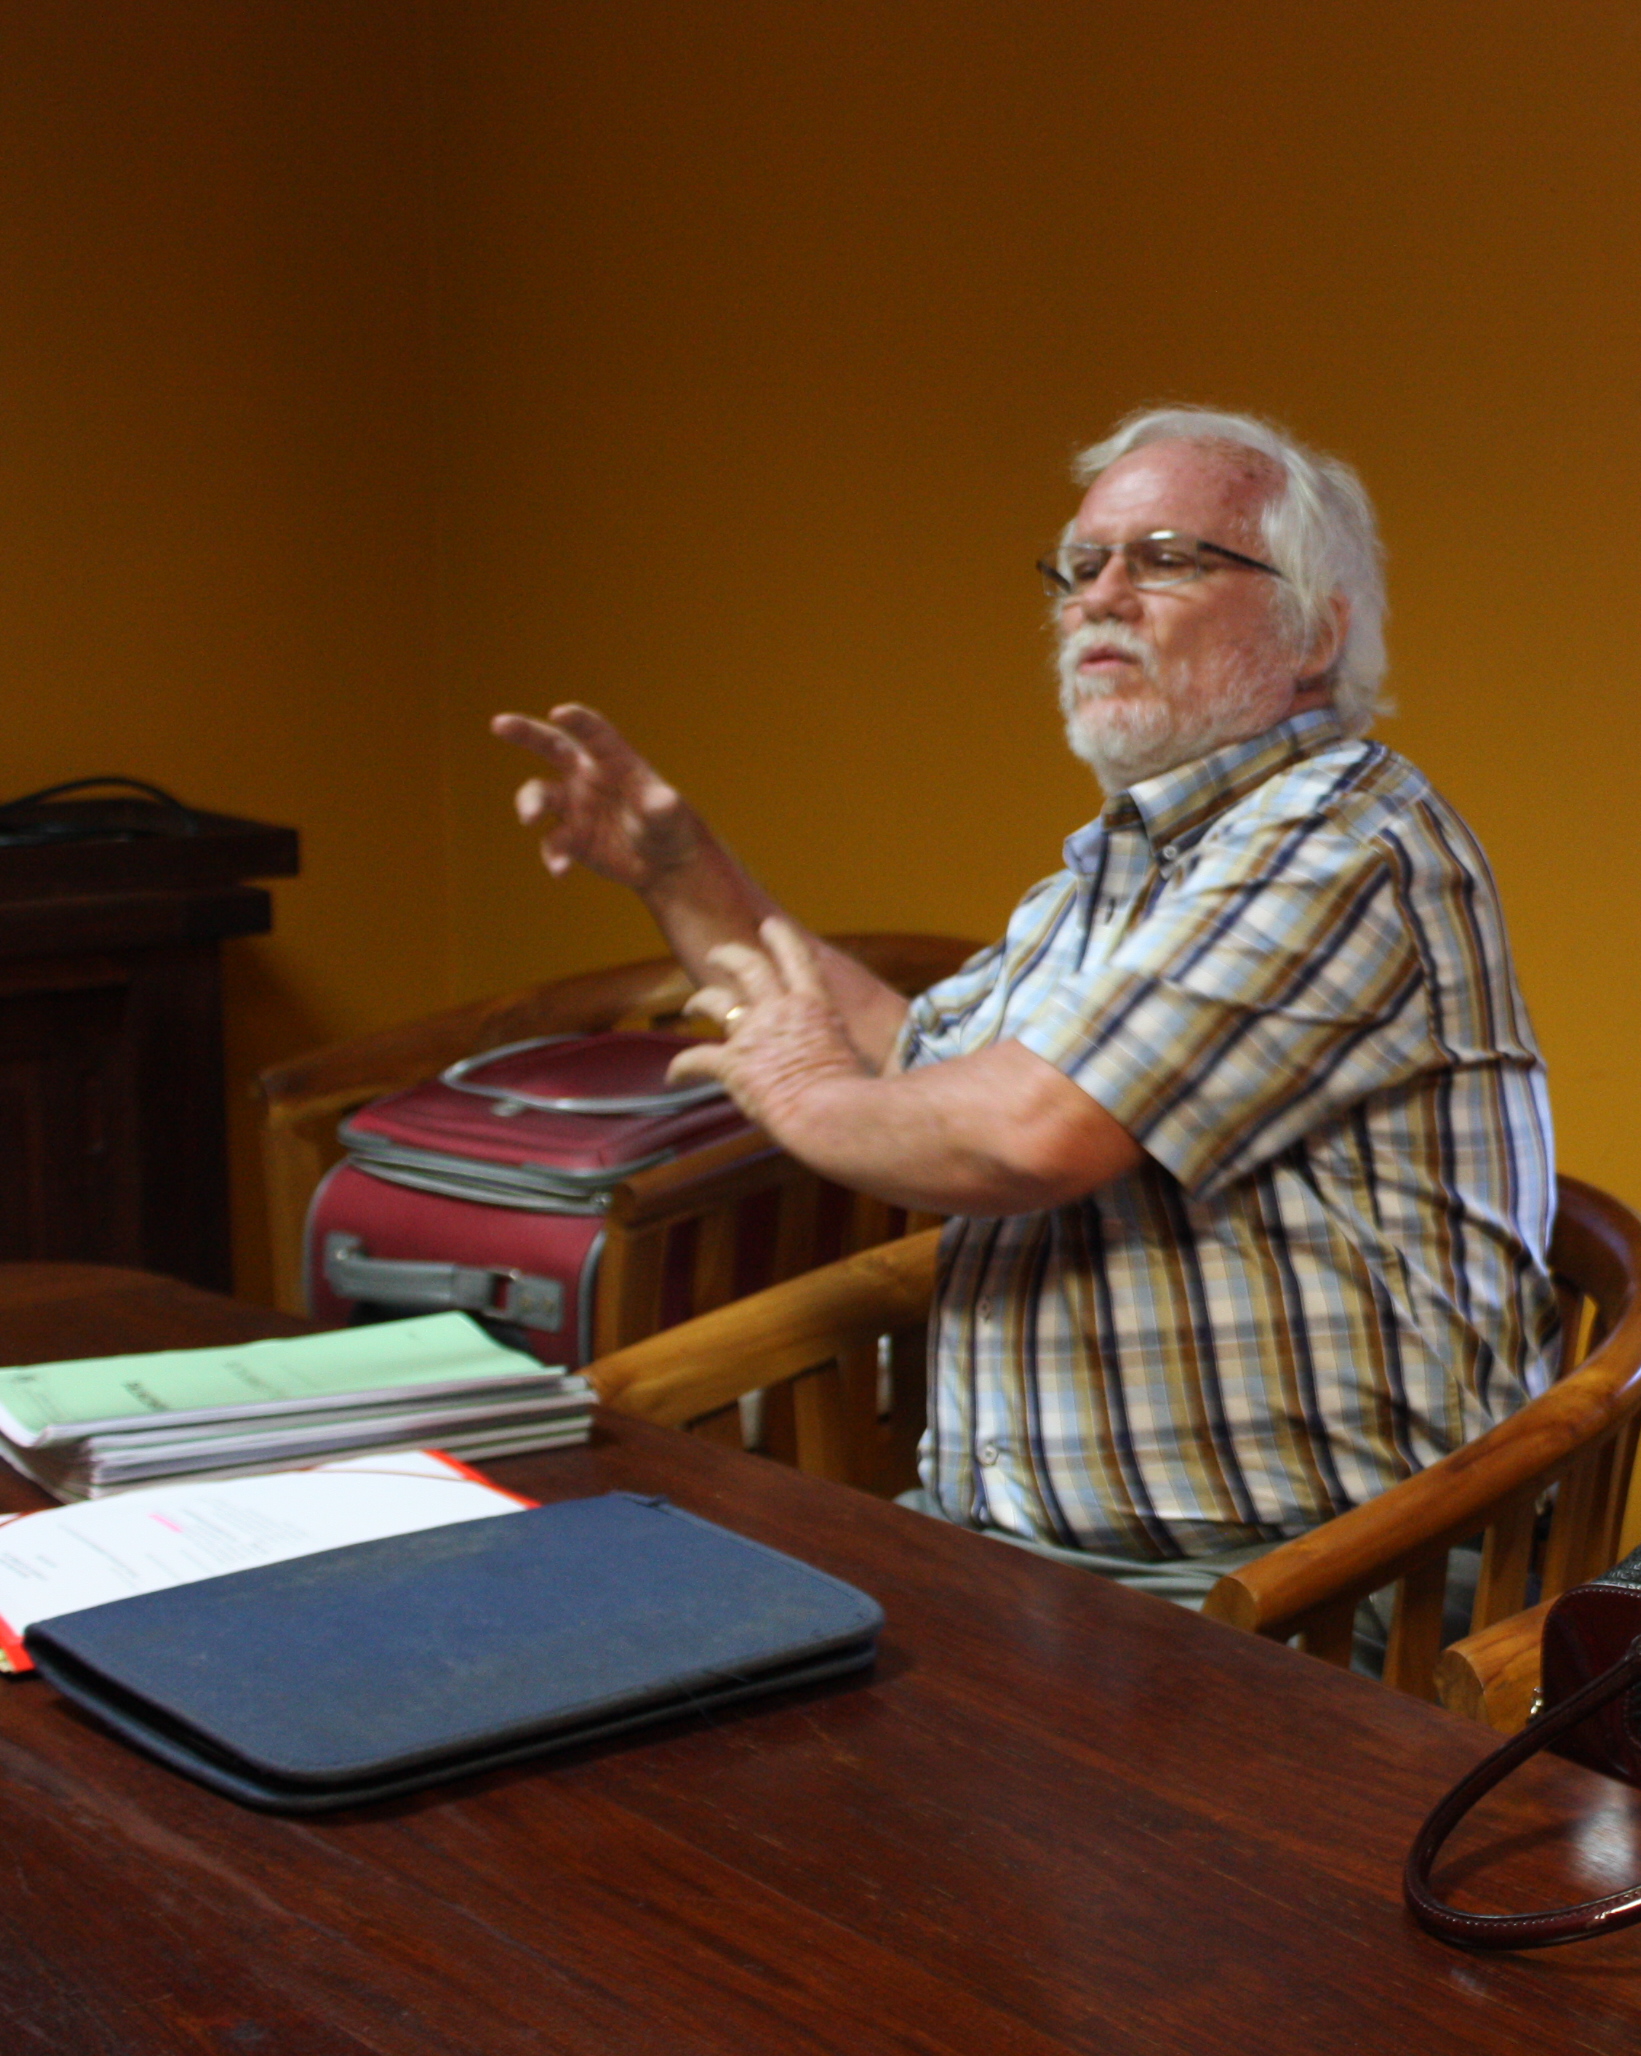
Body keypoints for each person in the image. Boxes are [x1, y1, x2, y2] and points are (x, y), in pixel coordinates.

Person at [494, 405, 1561, 1608]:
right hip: (1023, 1559)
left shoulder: (1341, 837)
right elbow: (913, 1058)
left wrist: (801, 1093)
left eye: (1164, 559)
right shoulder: (1132, 860)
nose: (1102, 594)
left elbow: (1022, 1133)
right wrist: (680, 870)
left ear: (1315, 630)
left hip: (1292, 1594)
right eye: (1080, 563)